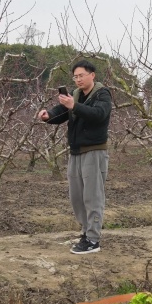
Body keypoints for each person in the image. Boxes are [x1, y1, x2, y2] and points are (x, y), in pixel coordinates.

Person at [37, 60, 112, 254]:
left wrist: (74, 106)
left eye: (81, 75)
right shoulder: (76, 95)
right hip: (76, 152)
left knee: (93, 197)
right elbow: (61, 112)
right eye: (75, 76)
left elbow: (99, 115)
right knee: (77, 197)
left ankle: (94, 240)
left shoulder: (102, 94)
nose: (78, 79)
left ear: (92, 75)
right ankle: (86, 233)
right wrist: (48, 115)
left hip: (94, 151)